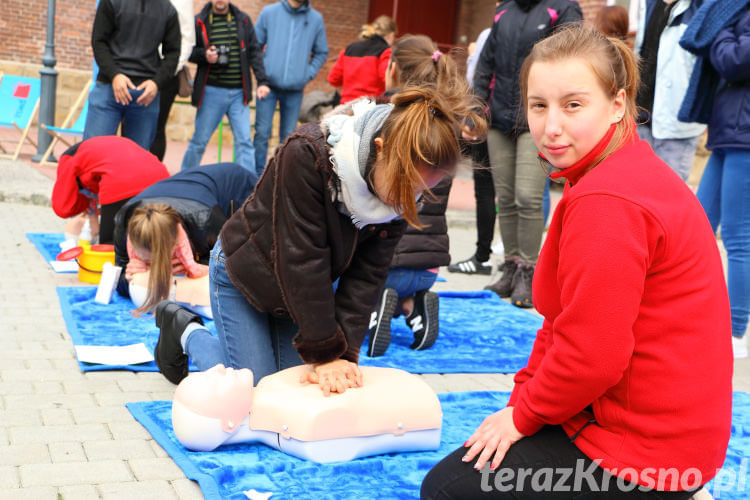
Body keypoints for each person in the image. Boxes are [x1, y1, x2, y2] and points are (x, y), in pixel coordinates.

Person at [421, 25, 732, 498]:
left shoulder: (608, 199)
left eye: (573, 104)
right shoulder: (615, 168)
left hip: (649, 455)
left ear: (618, 104)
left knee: (447, 489)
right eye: (538, 105)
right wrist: (521, 402)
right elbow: (562, 323)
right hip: (662, 435)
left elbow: (593, 356)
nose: (551, 126)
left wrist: (522, 417)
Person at [152, 83, 486, 393]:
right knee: (256, 391)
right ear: (381, 149)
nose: (408, 200)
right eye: (406, 185)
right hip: (245, 275)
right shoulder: (308, 155)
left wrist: (344, 356)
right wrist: (325, 353)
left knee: (302, 390)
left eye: (420, 190)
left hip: (298, 295)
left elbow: (366, 277)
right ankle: (186, 330)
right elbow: (302, 261)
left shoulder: (402, 194)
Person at [474, 0, 582, 308]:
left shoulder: (562, 9)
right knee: (505, 198)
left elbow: (571, 62)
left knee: (528, 196)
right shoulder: (503, 10)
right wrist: (475, 106)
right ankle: (510, 267)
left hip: (536, 119)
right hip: (498, 118)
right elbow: (485, 63)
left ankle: (529, 272)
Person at [366, 34, 465, 357]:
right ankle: (412, 306)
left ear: (392, 69)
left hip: (383, 268)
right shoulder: (445, 128)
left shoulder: (381, 116)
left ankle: (374, 307)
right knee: (403, 286)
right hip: (429, 269)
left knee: (343, 281)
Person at [171, 364, 442, 462]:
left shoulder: (271, 385)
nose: (217, 367)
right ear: (229, 423)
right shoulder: (303, 421)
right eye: (211, 381)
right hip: (414, 401)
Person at [112, 163, 257, 315]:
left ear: (176, 244)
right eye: (147, 261)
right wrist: (127, 279)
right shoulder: (124, 222)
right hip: (188, 190)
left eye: (156, 261)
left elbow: (233, 263)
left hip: (237, 185)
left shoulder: (206, 221)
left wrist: (196, 267)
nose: (152, 267)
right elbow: (119, 277)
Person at [693, 6, 750, 358]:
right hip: (727, 130)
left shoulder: (732, 16)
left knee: (737, 236)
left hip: (745, 136)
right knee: (697, 224)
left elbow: (735, 59)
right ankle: (700, 318)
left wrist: (720, 31)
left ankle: (735, 331)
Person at [180, 0, 270, 174]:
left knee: (244, 142)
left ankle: (248, 186)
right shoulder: (200, 21)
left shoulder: (243, 20)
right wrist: (204, 55)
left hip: (239, 93)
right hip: (210, 92)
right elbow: (188, 51)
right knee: (199, 141)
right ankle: (184, 178)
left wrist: (262, 81)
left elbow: (254, 52)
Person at [84, 0, 181, 150]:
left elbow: (173, 52)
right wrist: (115, 75)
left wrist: (156, 83)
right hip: (109, 89)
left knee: (137, 165)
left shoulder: (168, 10)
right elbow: (99, 41)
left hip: (145, 96)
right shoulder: (111, 2)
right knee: (92, 155)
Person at [253, 0, 328, 176]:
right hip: (268, 86)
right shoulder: (268, 12)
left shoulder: (316, 19)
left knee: (288, 138)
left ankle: (279, 178)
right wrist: (262, 73)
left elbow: (322, 52)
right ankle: (256, 177)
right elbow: (254, 46)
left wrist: (306, 74)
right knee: (262, 133)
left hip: (295, 91)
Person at [635, 0, 706, 182]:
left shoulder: (701, 6)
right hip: (642, 116)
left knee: (667, 195)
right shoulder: (648, 4)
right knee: (639, 190)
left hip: (675, 123)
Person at [51, 136, 169, 244]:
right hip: (162, 179)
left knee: (109, 245)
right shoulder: (101, 148)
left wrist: (86, 203)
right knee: (156, 237)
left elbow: (62, 207)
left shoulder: (67, 158)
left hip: (121, 180)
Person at [447, 26, 495, 276]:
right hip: (509, 116)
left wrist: (471, 116)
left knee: (487, 189)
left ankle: (483, 256)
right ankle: (515, 263)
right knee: (516, 198)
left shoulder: (491, 32)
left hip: (489, 117)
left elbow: (477, 77)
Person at [150, 0, 196, 162]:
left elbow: (188, 39)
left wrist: (170, 69)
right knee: (132, 122)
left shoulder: (183, 2)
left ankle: (152, 175)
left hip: (167, 71)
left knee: (157, 126)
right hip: (140, 67)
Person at [327, 16, 397, 104]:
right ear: (390, 35)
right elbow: (389, 81)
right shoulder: (385, 52)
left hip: (347, 107)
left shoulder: (349, 49)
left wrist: (347, 96)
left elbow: (333, 79)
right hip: (371, 107)